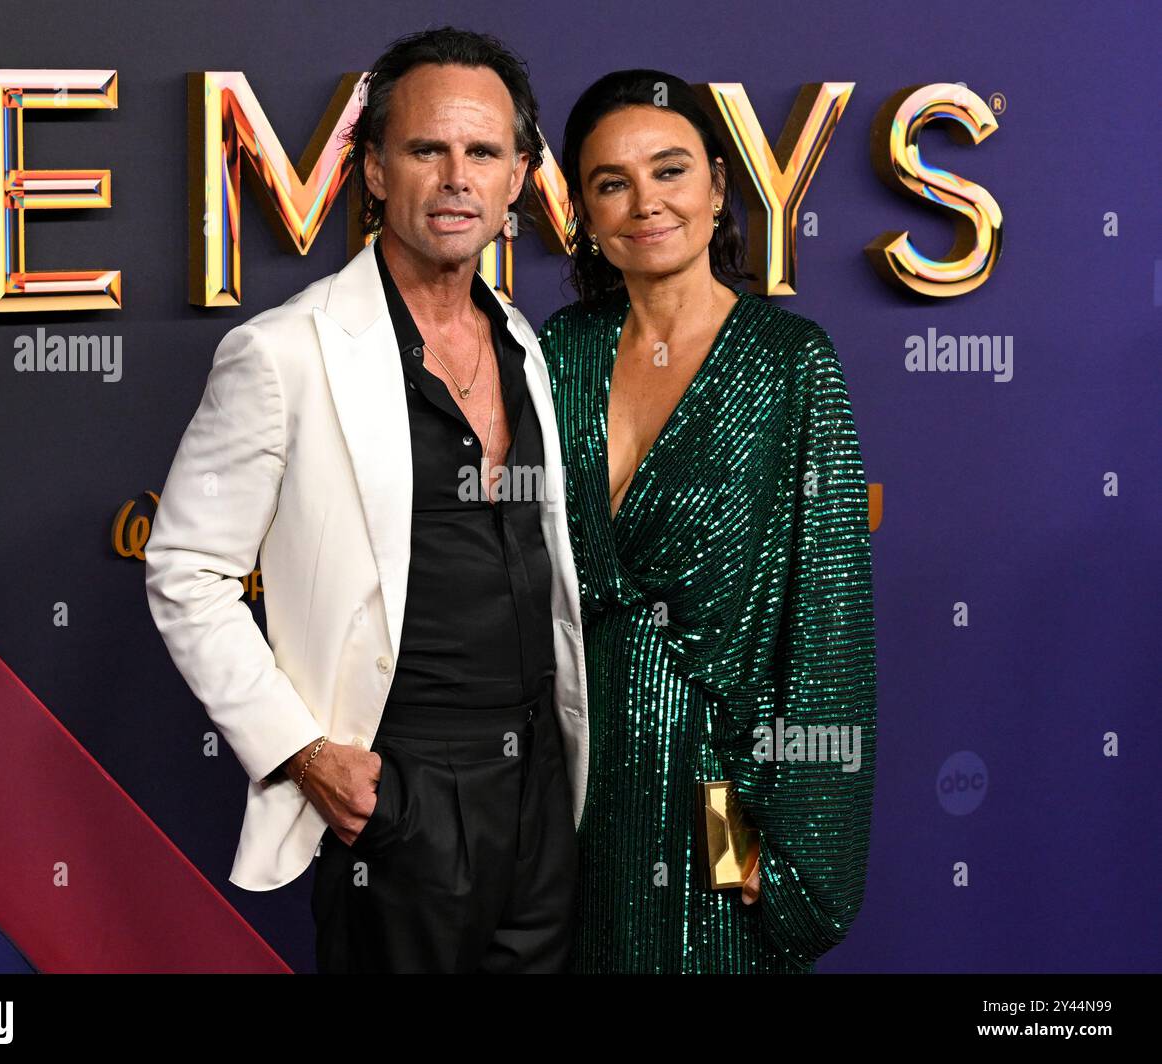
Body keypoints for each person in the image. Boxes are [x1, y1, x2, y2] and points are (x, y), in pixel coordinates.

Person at [143, 27, 587, 973]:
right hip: (400, 794)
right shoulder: (285, 352)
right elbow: (185, 568)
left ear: (518, 180)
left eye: (485, 152)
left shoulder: (524, 342)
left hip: (542, 788)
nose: (457, 177)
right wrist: (303, 751)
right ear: (377, 171)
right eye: (428, 150)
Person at [537, 69, 877, 973]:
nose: (645, 202)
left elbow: (827, 617)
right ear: (586, 211)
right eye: (612, 182)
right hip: (563, 789)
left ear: (719, 186)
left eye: (670, 170)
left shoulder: (790, 362)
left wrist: (763, 850)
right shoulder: (553, 353)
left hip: (717, 795)